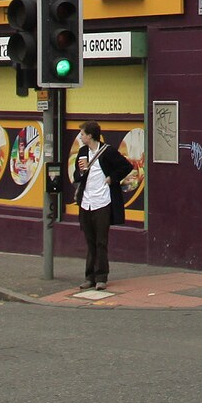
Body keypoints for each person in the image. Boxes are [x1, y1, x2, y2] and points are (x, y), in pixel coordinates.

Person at [71, 121, 134, 290]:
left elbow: (127, 166)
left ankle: (101, 277)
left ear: (90, 135)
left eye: (83, 134)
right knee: (90, 241)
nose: (81, 137)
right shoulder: (83, 152)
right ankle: (89, 277)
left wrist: (112, 178)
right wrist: (80, 172)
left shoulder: (107, 152)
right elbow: (77, 176)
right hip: (86, 202)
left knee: (101, 241)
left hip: (102, 201)